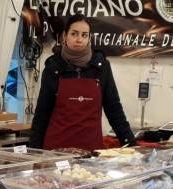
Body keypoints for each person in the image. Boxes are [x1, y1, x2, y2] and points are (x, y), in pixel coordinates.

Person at [29, 14, 136, 151]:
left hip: (91, 152)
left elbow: (114, 109)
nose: (79, 39)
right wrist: (33, 151)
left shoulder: (102, 67)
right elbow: (42, 114)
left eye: (84, 35)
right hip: (56, 152)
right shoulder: (53, 68)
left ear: (89, 38)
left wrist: (131, 145)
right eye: (74, 34)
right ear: (64, 36)